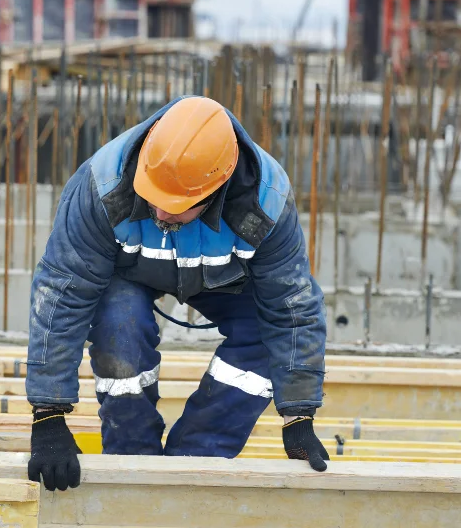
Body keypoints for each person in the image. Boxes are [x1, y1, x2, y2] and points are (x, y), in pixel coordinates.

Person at [25, 96, 329, 492]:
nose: (161, 213)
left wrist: (299, 414)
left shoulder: (265, 203)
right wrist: (48, 414)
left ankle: (196, 460)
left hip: (225, 279)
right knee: (120, 323)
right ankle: (132, 459)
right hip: (130, 273)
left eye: (177, 206)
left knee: (263, 337)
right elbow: (60, 294)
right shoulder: (103, 187)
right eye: (154, 197)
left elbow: (292, 309)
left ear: (216, 189)